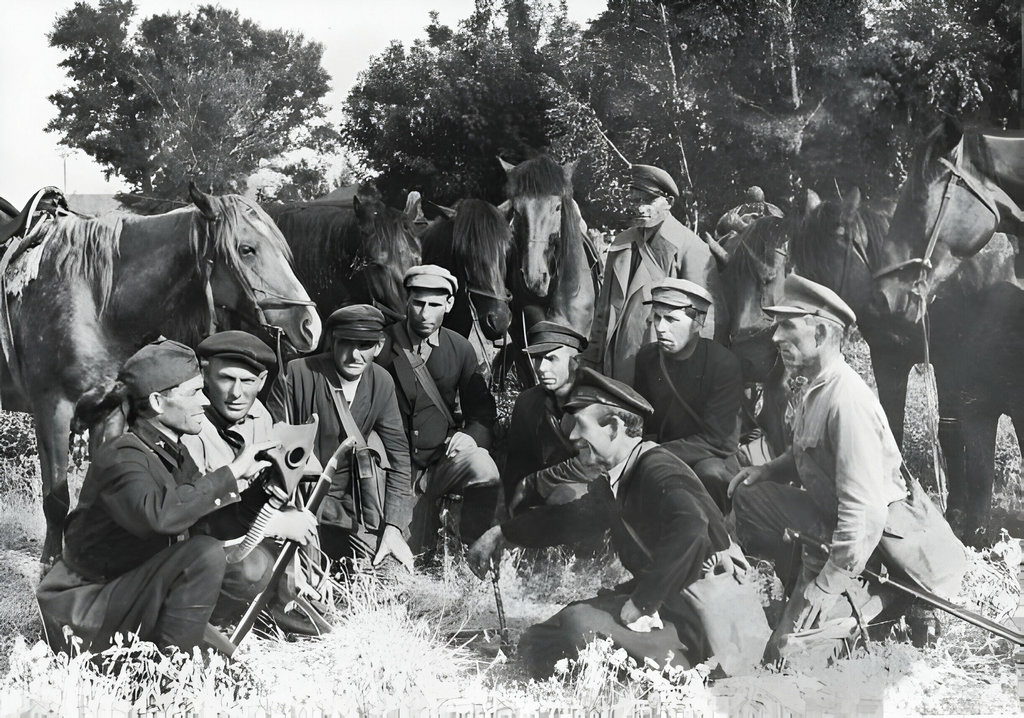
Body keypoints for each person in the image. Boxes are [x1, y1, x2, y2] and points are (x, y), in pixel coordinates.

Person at [728, 275, 968, 660]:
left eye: (787, 325)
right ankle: (816, 577)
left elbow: (866, 515)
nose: (775, 337)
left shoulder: (846, 401)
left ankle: (887, 598)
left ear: (820, 333)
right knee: (751, 495)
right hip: (839, 524)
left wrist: (825, 587)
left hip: (886, 547)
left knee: (785, 656)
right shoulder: (816, 385)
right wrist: (768, 470)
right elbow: (809, 451)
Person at [468, 368, 752, 678]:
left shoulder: (657, 468)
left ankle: (681, 671)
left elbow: (692, 526)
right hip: (668, 607)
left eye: (581, 425)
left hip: (701, 622)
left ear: (614, 427)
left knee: (578, 626)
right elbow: (568, 519)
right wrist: (502, 532)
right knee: (542, 637)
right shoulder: (622, 477)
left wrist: (643, 602)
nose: (573, 437)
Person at [36, 339, 275, 654]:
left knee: (240, 677)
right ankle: (171, 678)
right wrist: (231, 473)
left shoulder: (172, 456)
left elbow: (206, 523)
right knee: (203, 554)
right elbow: (159, 516)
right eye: (193, 393)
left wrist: (263, 488)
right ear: (159, 402)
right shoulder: (122, 456)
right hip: (83, 611)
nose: (205, 402)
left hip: (124, 596)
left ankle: (170, 664)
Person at [182, 330, 319, 631]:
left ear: (262, 381)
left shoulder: (258, 413)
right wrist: (273, 525)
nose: (236, 394)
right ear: (205, 375)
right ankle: (217, 624)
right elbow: (195, 517)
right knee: (254, 570)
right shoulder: (191, 423)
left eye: (247, 382)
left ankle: (278, 607)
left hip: (244, 530)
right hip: (204, 544)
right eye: (226, 379)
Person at [268, 304, 414, 571]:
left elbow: (399, 457)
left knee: (390, 575)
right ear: (332, 341)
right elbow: (272, 449)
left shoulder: (381, 382)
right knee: (302, 588)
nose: (355, 354)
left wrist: (394, 526)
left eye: (365, 345)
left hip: (352, 507)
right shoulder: (296, 374)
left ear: (379, 346)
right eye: (346, 343)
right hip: (298, 501)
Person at [376, 265, 500, 554]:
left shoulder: (460, 348)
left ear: (449, 304)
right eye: (418, 303)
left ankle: (473, 549)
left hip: (439, 463)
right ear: (407, 301)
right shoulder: (382, 345)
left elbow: (482, 413)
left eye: (434, 305)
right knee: (403, 559)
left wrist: (471, 437)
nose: (424, 313)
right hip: (392, 468)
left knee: (483, 465)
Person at [583, 164, 726, 384]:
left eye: (648, 200)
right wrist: (592, 360)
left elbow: (704, 321)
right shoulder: (621, 244)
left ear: (668, 202)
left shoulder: (691, 248)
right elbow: (603, 310)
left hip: (663, 372)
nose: (640, 208)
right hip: (614, 365)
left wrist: (692, 378)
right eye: (635, 200)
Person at [633, 278, 743, 512]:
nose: (661, 328)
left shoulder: (722, 364)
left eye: (672, 319)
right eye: (657, 318)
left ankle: (722, 535)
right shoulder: (648, 358)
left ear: (698, 323)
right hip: (661, 450)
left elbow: (719, 440)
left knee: (710, 474)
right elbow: (642, 416)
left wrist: (656, 453)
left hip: (709, 454)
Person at [503, 321, 593, 514]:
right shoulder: (526, 402)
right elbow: (517, 463)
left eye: (551, 358)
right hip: (540, 497)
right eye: (537, 358)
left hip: (587, 497)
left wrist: (534, 482)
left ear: (576, 361)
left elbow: (593, 465)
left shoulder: (596, 403)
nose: (541, 368)